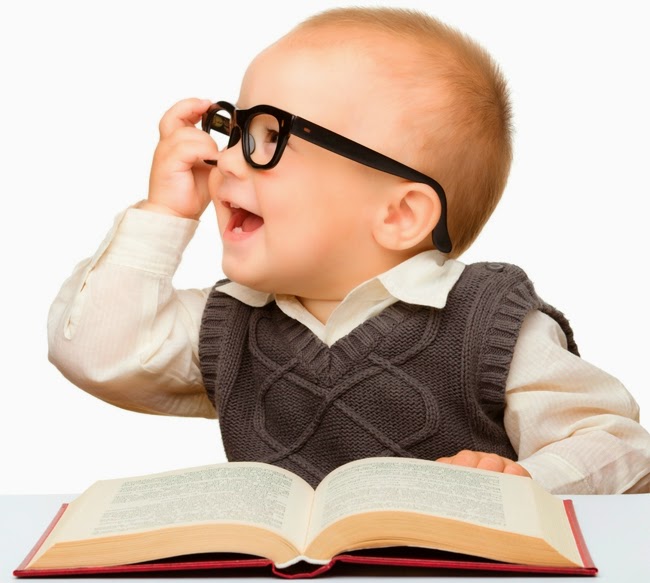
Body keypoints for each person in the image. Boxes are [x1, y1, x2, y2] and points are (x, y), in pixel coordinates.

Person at [48, 6, 650, 493]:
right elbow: (99, 353)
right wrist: (163, 214)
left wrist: (526, 483)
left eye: (270, 138)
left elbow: (617, 444)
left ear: (399, 215)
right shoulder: (230, 320)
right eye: (236, 129)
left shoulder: (488, 324)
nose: (224, 161)